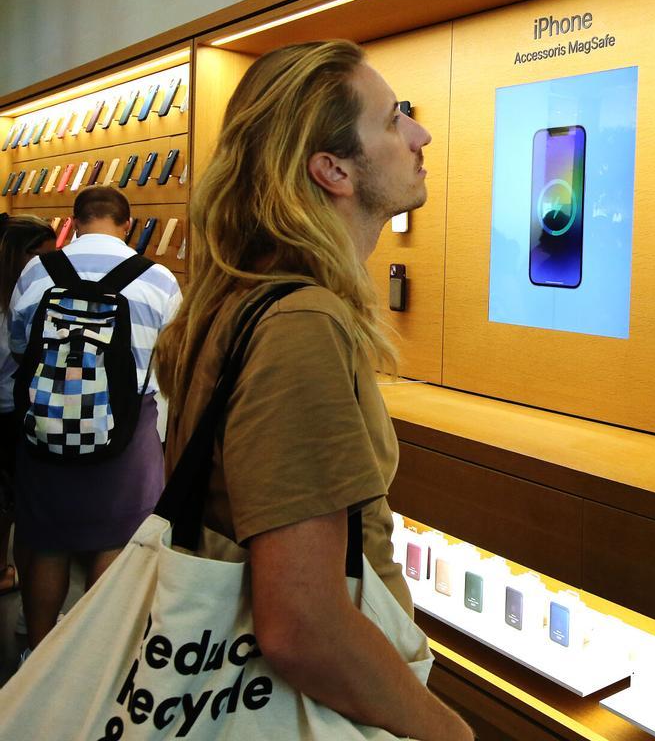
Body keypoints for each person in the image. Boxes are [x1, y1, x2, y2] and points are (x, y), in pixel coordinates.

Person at [154, 40, 473, 740]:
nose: (419, 135)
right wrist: (449, 732)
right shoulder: (301, 321)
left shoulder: (244, 297)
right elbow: (303, 625)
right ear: (332, 169)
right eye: (393, 120)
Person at [7, 187, 181, 653]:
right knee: (116, 540)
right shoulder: (158, 278)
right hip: (128, 428)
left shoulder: (37, 270)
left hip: (45, 418)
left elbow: (20, 346)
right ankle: (97, 656)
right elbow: (169, 359)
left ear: (74, 221)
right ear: (127, 224)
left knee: (46, 541)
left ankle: (38, 653)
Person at [0, 214, 57, 602]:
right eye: (48, 255)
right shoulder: (23, 304)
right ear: (28, 255)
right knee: (25, 511)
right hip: (13, 415)